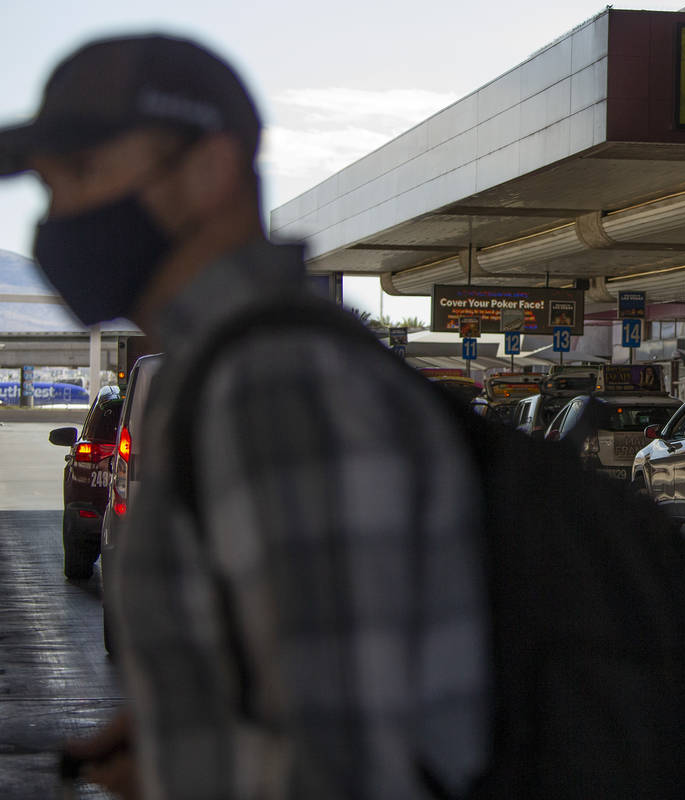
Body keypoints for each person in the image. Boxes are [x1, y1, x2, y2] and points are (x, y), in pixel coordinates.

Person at [2, 35, 491, 798]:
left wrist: (176, 768)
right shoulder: (243, 372)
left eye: (86, 173)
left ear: (211, 168)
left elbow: (358, 775)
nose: (58, 214)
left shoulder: (273, 389)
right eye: (49, 184)